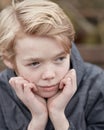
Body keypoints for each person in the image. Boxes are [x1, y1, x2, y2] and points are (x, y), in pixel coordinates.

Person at [0, 0, 104, 130]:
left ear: (69, 49)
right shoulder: (2, 94)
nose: (49, 74)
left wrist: (59, 117)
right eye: (34, 63)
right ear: (8, 60)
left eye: (59, 59)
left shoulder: (96, 84)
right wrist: (37, 121)